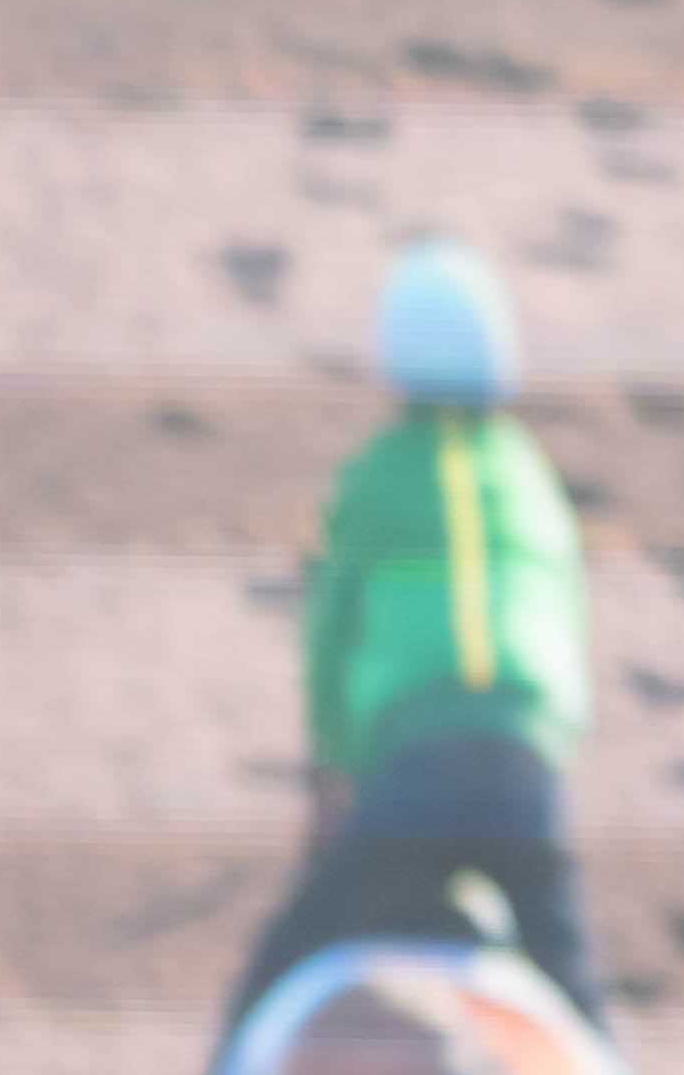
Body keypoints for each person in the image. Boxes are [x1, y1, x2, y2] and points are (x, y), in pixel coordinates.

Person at [223, 237, 601, 1031]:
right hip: (524, 766)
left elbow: (331, 637)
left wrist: (332, 771)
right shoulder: (531, 477)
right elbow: (566, 626)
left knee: (284, 964)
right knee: (581, 1001)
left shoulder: (375, 475)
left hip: (411, 770)